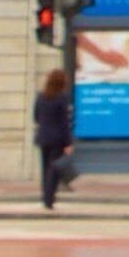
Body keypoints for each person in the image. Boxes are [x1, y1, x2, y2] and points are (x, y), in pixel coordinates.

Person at [32, 65, 76, 211]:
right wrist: (68, 142)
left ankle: (46, 196)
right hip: (57, 138)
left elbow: (36, 116)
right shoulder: (62, 97)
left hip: (43, 136)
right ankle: (49, 198)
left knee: (45, 168)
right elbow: (64, 122)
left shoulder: (41, 96)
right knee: (54, 168)